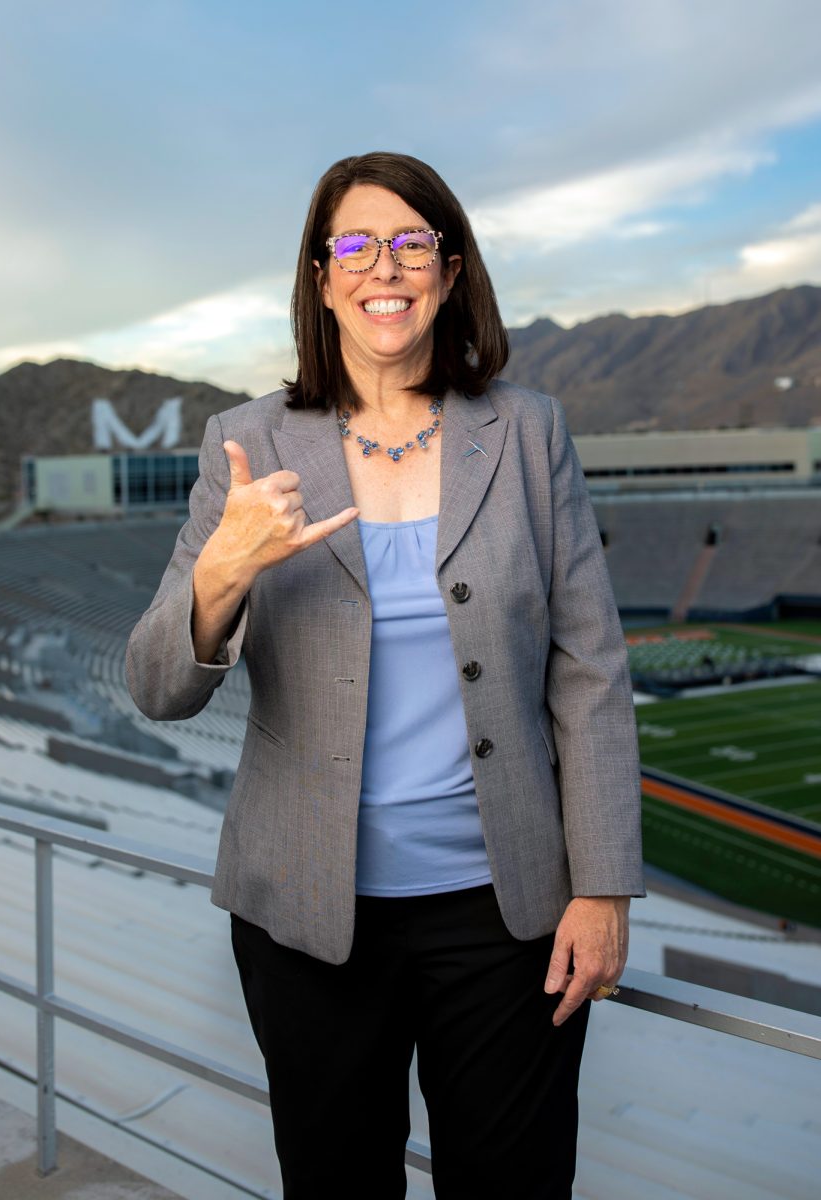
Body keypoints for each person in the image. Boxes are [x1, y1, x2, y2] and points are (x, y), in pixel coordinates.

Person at [126, 151, 644, 1199]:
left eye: (410, 242)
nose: (383, 266)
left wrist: (600, 886)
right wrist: (226, 565)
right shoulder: (247, 442)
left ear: (449, 271)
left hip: (505, 918)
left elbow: (587, 668)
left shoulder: (528, 430)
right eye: (354, 245)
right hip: (310, 919)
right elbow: (156, 687)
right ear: (321, 279)